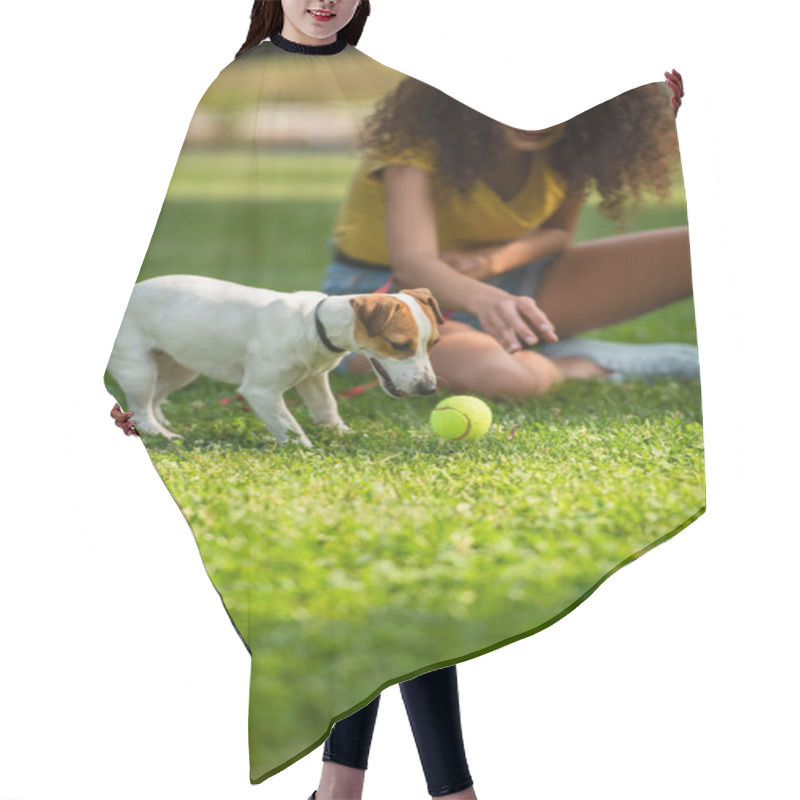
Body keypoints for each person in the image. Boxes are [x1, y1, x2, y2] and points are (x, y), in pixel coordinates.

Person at [237, 6, 479, 800]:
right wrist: (115, 381)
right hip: (306, 333)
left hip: (358, 327)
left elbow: (503, 137)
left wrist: (642, 119)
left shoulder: (391, 87)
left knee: (403, 579)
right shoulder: (237, 79)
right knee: (357, 586)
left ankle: (345, 791)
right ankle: (430, 793)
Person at [321, 69, 698, 397]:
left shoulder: (573, 144)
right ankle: (574, 364)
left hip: (512, 283)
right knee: (505, 378)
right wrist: (488, 301)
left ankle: (521, 344)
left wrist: (490, 262)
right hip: (390, 301)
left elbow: (556, 233)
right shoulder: (413, 139)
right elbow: (412, 264)